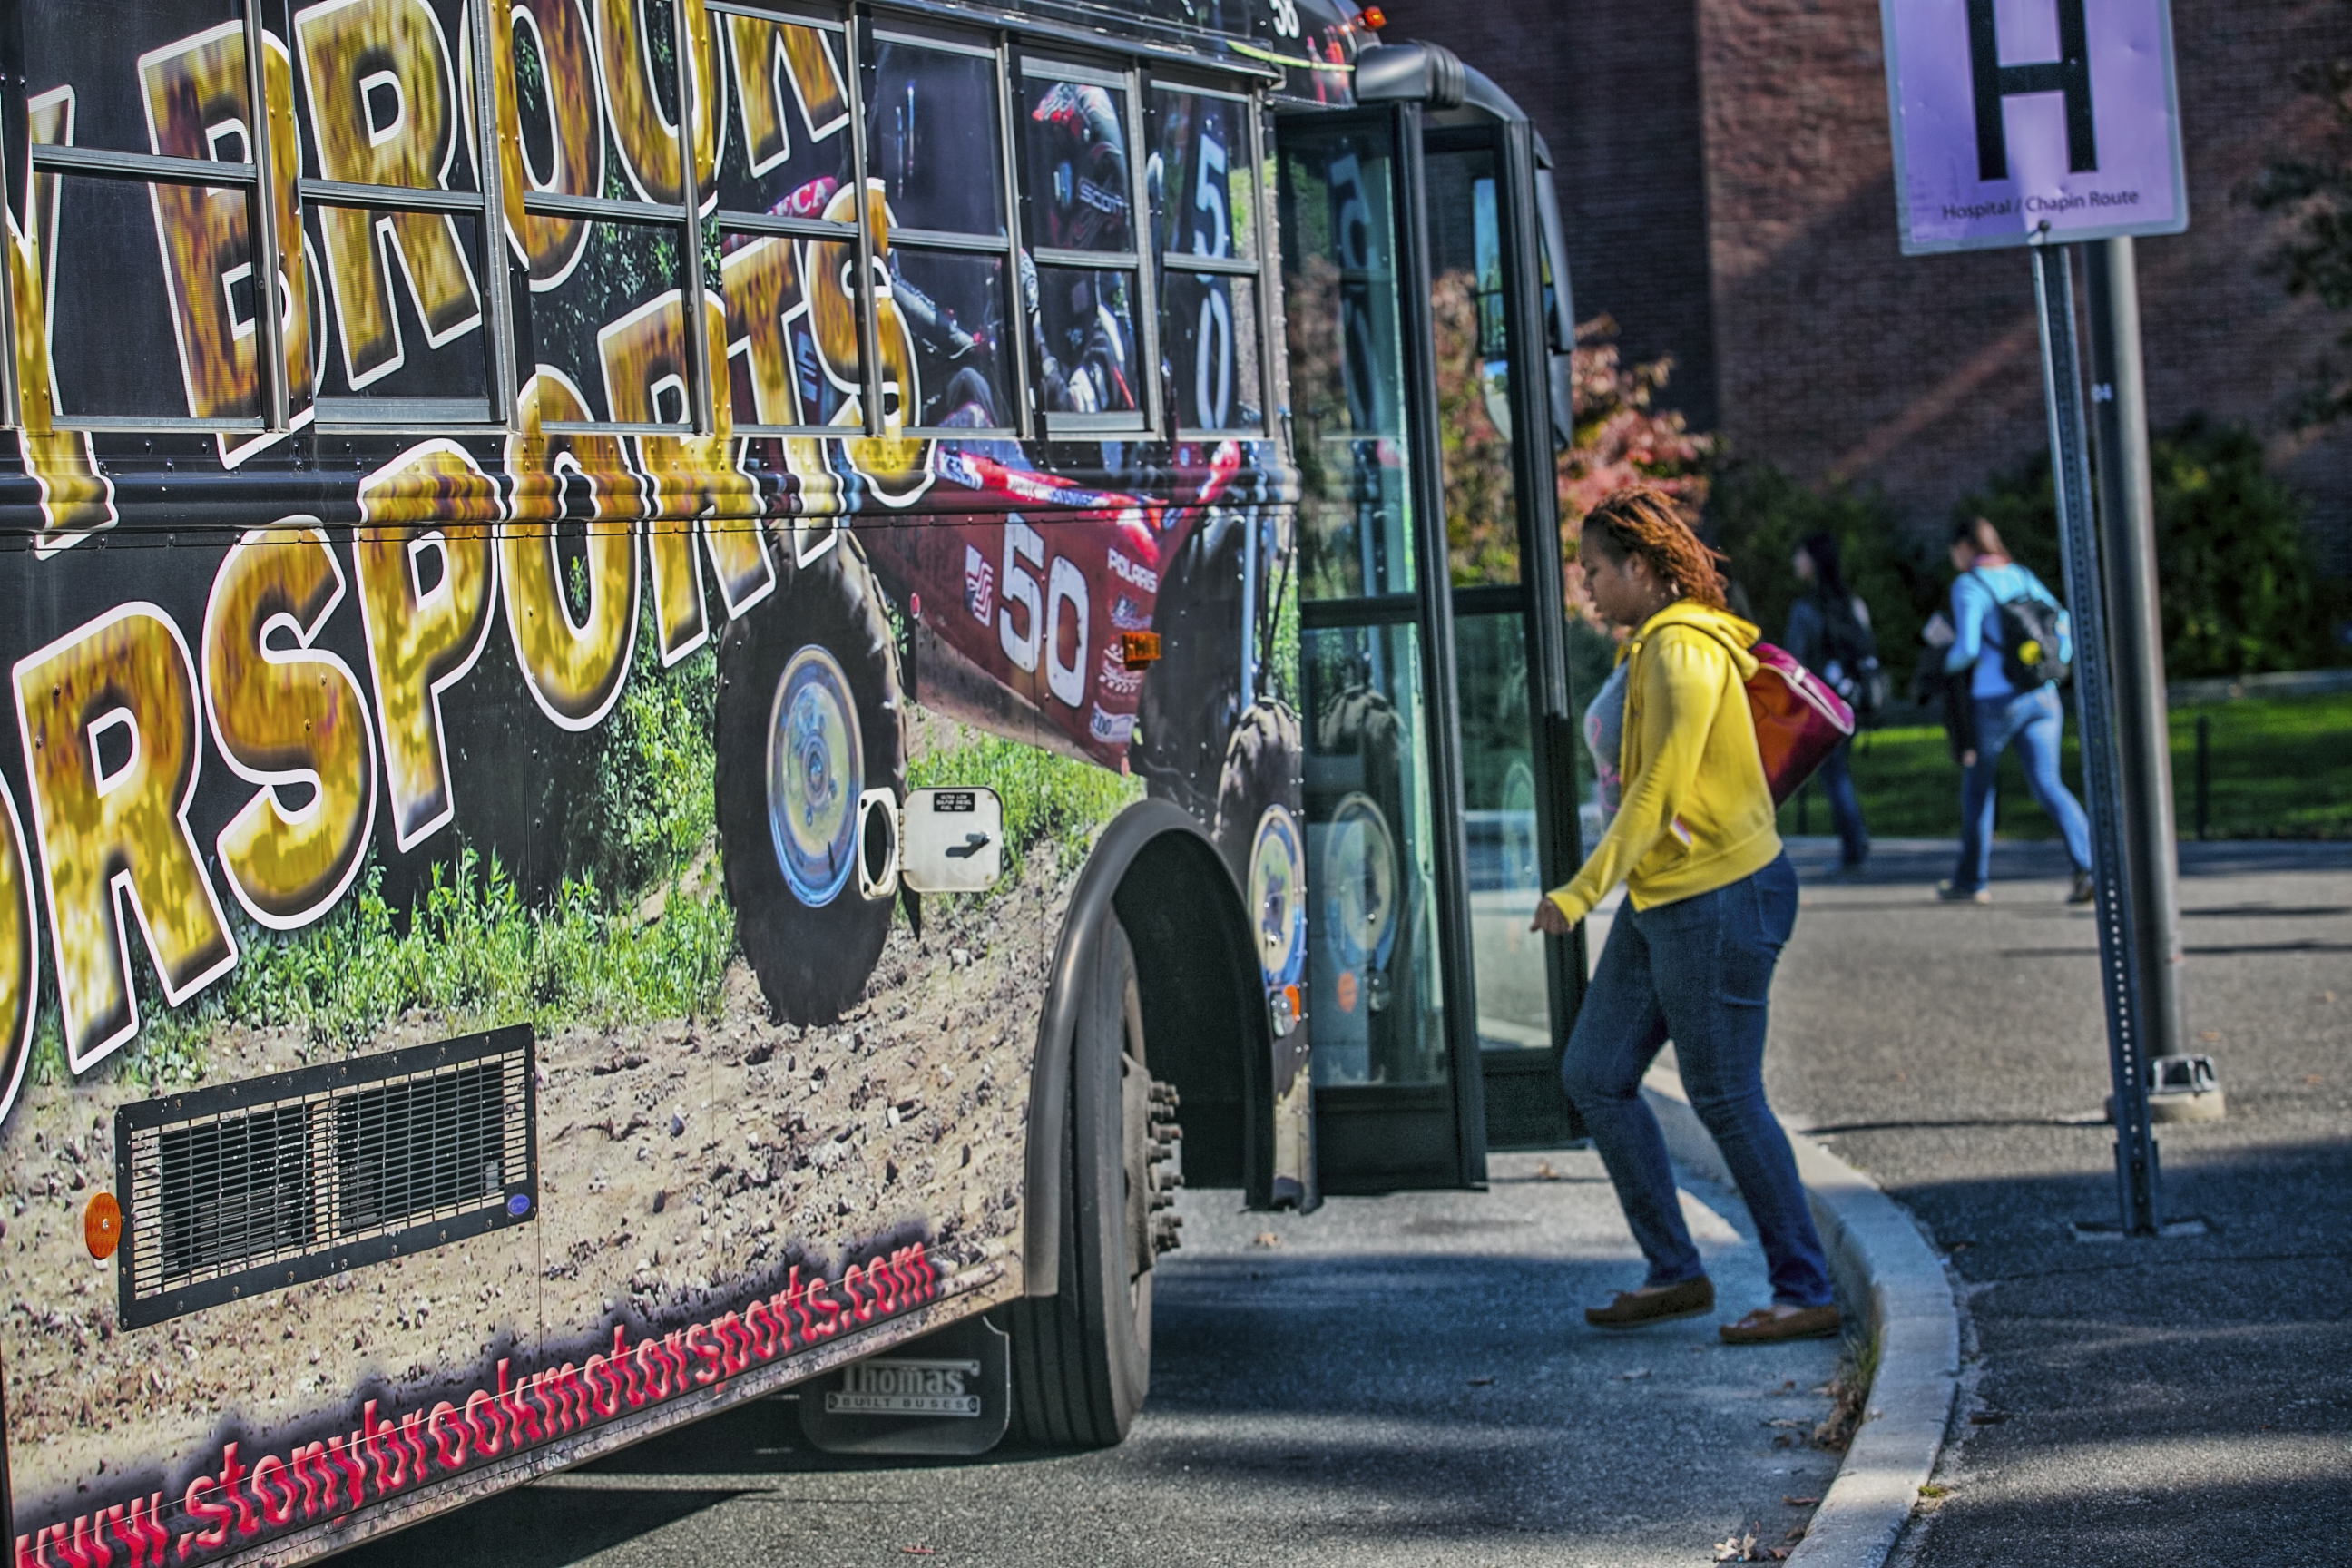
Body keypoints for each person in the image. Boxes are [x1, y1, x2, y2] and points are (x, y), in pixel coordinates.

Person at [1534, 487, 1838, 1344]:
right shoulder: (1651, 648)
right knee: (1595, 1073)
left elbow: (1656, 788)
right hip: (1666, 895)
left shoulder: (1680, 653)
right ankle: (1675, 1271)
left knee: (1726, 1095)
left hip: (1717, 895)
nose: (1585, 586)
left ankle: (1803, 1288)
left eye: (1594, 568)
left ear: (1638, 567)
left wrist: (1578, 892)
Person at [1939, 517, 2094, 906]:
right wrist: (2053, 665)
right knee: (2048, 783)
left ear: (1964, 547)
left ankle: (1972, 882)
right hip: (2042, 696)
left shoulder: (1969, 585)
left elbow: (1968, 650)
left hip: (1994, 701)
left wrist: (1939, 662)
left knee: (1978, 791)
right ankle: (2089, 867)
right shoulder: (2021, 576)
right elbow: (2063, 623)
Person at [1782, 532, 1873, 874]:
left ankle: (1853, 845)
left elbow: (1794, 663)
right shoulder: (1852, 603)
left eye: (1800, 555)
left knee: (1834, 777)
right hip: (1852, 699)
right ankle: (1856, 840)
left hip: (1821, 704)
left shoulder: (1805, 609)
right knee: (1839, 774)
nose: (1796, 562)